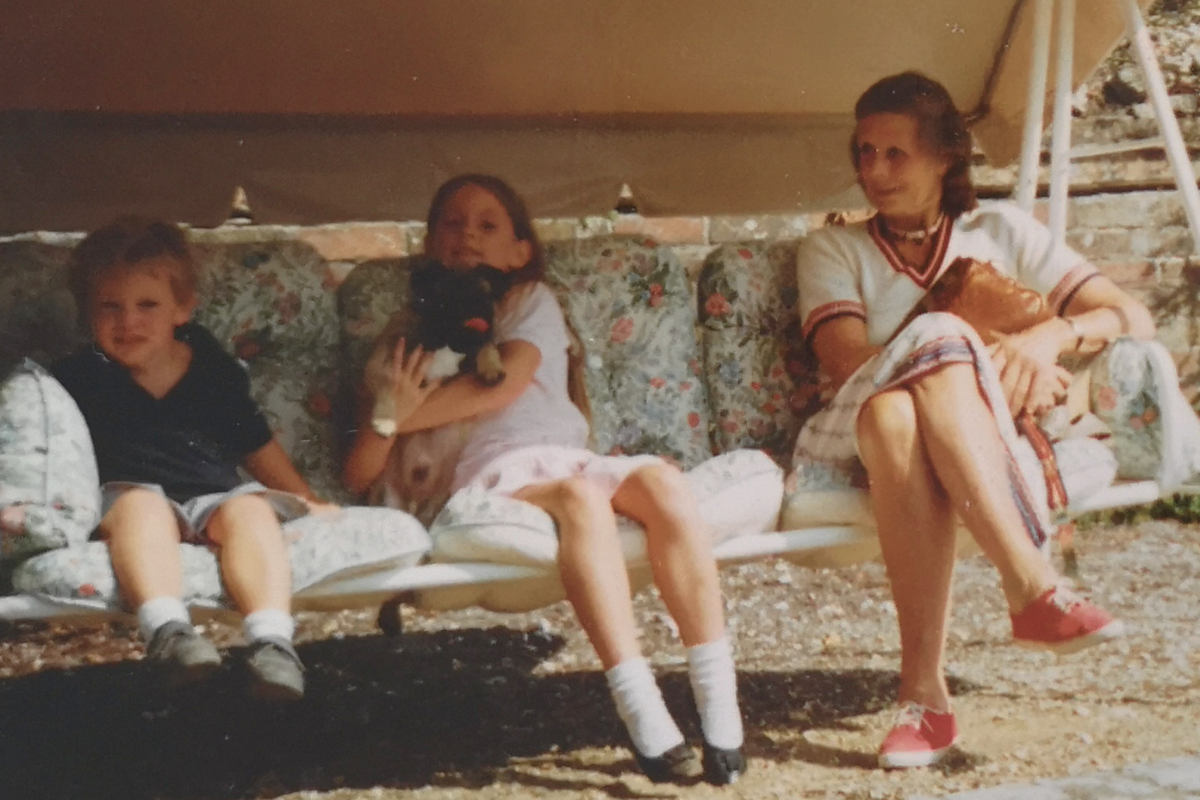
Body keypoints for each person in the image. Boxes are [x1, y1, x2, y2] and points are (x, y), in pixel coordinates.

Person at [791, 72, 1156, 769]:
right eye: (864, 152)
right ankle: (1031, 584)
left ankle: (923, 702)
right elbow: (844, 362)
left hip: (921, 434)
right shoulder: (833, 248)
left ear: (945, 158)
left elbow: (1130, 315)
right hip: (843, 432)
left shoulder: (1002, 231)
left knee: (902, 418)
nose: (873, 169)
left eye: (895, 153)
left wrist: (1045, 339)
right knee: (937, 344)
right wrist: (977, 352)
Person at [343, 174, 747, 785]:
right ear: (429, 243)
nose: (467, 237)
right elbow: (362, 469)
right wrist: (383, 420)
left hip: (568, 455)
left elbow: (499, 384)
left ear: (519, 251)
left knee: (663, 484)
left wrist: (401, 415)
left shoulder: (529, 304)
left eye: (487, 225)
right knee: (582, 500)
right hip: (494, 478)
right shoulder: (407, 337)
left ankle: (721, 706)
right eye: (452, 224)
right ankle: (642, 709)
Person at [54, 216, 331, 700]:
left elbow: (253, 441)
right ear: (89, 316)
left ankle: (272, 644)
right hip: (127, 499)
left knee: (250, 509)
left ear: (183, 309)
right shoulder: (75, 378)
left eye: (148, 305)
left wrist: (307, 498)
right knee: (142, 505)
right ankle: (170, 634)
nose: (129, 321)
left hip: (212, 496)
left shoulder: (209, 366)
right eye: (110, 308)